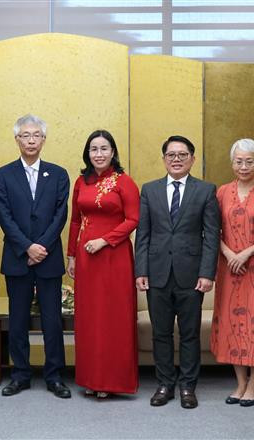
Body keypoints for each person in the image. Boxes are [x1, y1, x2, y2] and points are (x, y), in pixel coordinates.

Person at [135, 135, 220, 409]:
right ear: (164, 159)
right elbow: (143, 235)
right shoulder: (149, 190)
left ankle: (187, 386)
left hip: (192, 274)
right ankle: (164, 384)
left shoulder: (206, 191)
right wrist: (141, 271)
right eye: (171, 155)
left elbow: (211, 236)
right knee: (160, 333)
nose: (176, 159)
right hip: (157, 273)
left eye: (182, 155)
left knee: (189, 333)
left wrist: (207, 273)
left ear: (192, 159)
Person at [0, 114, 71, 399]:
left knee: (52, 320)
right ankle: (21, 374)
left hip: (48, 257)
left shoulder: (59, 174)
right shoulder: (2, 175)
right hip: (18, 257)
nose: (30, 140)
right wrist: (27, 247)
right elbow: (4, 216)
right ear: (17, 139)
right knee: (18, 319)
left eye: (36, 135)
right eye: (25, 135)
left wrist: (41, 247)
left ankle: (54, 375)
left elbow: (60, 215)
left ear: (43, 139)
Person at [67, 130, 140, 398]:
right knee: (89, 319)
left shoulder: (124, 182)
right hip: (86, 258)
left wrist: (104, 241)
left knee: (113, 317)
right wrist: (71, 255)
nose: (99, 154)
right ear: (88, 153)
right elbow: (75, 220)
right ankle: (91, 379)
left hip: (114, 256)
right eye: (94, 149)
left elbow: (133, 219)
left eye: (104, 149)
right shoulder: (81, 182)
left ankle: (112, 382)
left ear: (113, 152)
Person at [209, 138, 254, 407]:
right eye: (238, 161)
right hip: (229, 269)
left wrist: (246, 253)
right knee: (232, 324)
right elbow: (213, 230)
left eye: (249, 161)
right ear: (232, 163)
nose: (243, 166)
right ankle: (239, 383)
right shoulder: (222, 192)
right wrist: (229, 254)